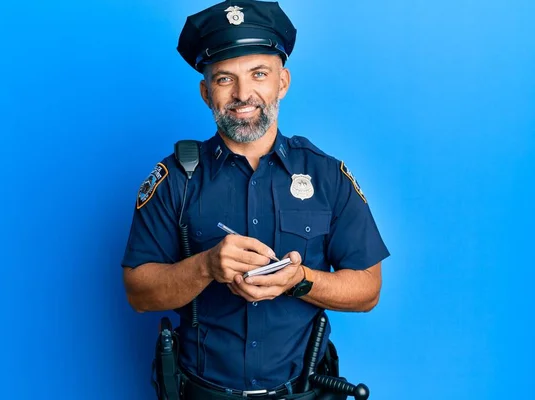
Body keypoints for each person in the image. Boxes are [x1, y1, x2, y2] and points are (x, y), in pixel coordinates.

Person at [121, 1, 390, 399]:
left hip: (303, 392)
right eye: (225, 79)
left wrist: (300, 281)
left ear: (282, 82)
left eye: (258, 74)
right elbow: (138, 294)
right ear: (206, 92)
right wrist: (206, 266)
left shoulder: (326, 175)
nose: (243, 94)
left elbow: (368, 289)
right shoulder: (175, 179)